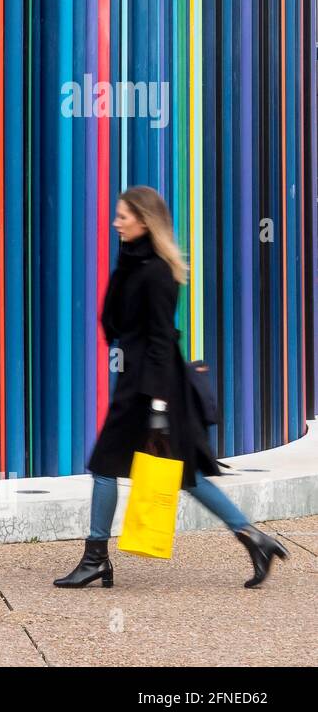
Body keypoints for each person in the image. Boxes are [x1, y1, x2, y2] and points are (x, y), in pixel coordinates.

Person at [53, 185, 288, 589]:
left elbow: (161, 338)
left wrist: (159, 406)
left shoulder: (159, 272)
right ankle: (254, 539)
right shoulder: (134, 263)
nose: (116, 222)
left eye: (123, 216)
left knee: (105, 466)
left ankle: (96, 558)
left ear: (144, 220)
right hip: (142, 382)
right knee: (185, 476)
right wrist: (124, 266)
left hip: (151, 390)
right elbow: (113, 323)